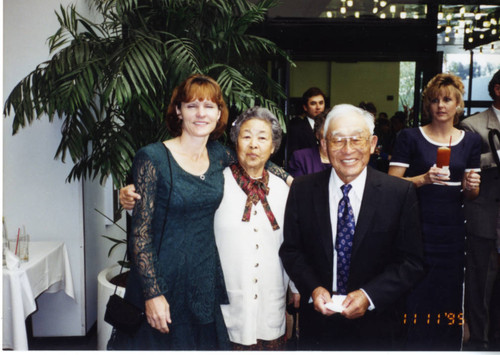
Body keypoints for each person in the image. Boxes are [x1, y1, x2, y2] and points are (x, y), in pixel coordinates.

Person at [108, 74, 290, 350]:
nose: (201, 114)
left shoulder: (219, 155)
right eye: (192, 106)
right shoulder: (153, 157)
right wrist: (152, 293)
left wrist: (290, 180)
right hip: (162, 277)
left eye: (209, 106)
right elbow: (141, 234)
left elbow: (256, 160)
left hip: (202, 282)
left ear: (219, 114)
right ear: (179, 111)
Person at [279, 103, 424, 351]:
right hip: (319, 322)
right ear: (324, 145)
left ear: (372, 143)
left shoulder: (399, 193)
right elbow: (292, 251)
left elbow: (411, 262)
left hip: (378, 324)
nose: (348, 150)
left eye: (357, 140)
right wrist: (313, 288)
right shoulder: (302, 190)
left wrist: (368, 296)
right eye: (337, 140)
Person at [388, 73, 482, 350]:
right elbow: (391, 185)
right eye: (434, 100)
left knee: (449, 291)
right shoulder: (410, 137)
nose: (441, 105)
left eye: (447, 99)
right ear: (427, 105)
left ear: (458, 105)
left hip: (452, 230)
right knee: (417, 291)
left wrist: (471, 186)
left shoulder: (471, 142)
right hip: (417, 227)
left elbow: (471, 194)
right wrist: (423, 179)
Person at [214, 106, 299, 350]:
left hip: (271, 299)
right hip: (227, 303)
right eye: (246, 136)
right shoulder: (216, 184)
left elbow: (293, 242)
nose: (254, 145)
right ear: (235, 142)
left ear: (273, 147)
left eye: (262, 138)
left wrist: (295, 287)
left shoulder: (285, 191)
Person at [460, 69, 500, 351]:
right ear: (497, 90)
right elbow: (464, 162)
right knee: (481, 282)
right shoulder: (472, 125)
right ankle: (480, 342)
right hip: (485, 213)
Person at [286, 87, 326, 163]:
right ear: (305, 107)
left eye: (321, 103)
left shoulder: (331, 126)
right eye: (313, 103)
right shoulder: (296, 127)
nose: (318, 107)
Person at [287, 109, 331, 177]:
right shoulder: (301, 157)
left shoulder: (346, 157)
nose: (331, 134)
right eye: (327, 129)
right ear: (317, 135)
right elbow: (298, 185)